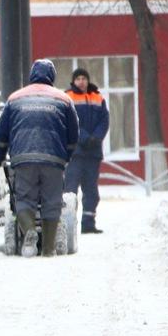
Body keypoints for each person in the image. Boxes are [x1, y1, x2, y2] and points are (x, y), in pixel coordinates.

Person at [0, 59, 79, 257]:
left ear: (32, 76)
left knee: (23, 199)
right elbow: (74, 135)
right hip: (54, 159)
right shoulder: (64, 100)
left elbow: (2, 133)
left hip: (23, 158)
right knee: (52, 202)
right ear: (52, 77)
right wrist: (67, 156)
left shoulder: (15, 99)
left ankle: (29, 230)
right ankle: (48, 249)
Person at [64, 68, 110, 234]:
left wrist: (96, 138)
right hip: (75, 153)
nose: (81, 81)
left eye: (84, 78)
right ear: (73, 81)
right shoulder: (67, 97)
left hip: (93, 153)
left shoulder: (98, 98)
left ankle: (88, 224)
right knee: (70, 190)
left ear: (88, 80)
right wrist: (83, 137)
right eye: (78, 79)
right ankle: (68, 224)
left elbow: (104, 121)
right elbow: (69, 122)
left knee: (91, 190)